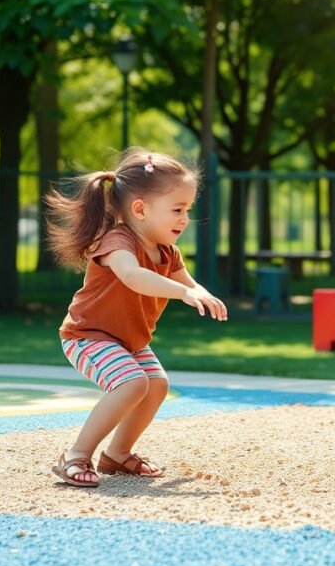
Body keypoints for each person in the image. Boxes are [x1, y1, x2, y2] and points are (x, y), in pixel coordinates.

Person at [44, 148, 228, 487]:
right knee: (132, 383)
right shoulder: (117, 241)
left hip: (127, 340)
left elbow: (186, 282)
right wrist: (185, 293)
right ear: (140, 209)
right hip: (88, 335)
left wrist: (198, 291)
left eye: (188, 209)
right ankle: (75, 456)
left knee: (156, 384)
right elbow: (133, 277)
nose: (185, 218)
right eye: (177, 209)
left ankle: (117, 454)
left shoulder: (167, 251)